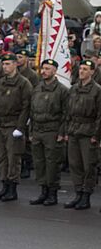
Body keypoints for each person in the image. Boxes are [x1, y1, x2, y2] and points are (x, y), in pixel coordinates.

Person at [0, 52, 32, 202]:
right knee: (2, 158)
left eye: (8, 64)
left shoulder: (23, 83)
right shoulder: (0, 82)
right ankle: (4, 185)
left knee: (13, 157)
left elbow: (26, 107)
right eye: (3, 64)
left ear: (15, 64)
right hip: (1, 124)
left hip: (13, 124)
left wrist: (20, 127)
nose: (5, 67)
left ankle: (12, 188)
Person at [29, 59, 69, 206]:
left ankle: (52, 193)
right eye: (43, 68)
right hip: (38, 129)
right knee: (39, 162)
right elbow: (32, 111)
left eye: (47, 69)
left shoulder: (62, 90)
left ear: (54, 71)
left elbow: (66, 114)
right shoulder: (37, 88)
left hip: (52, 130)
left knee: (52, 163)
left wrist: (62, 132)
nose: (44, 71)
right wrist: (31, 131)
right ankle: (43, 190)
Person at [63, 59, 101, 210]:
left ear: (92, 72)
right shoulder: (73, 88)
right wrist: (67, 130)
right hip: (74, 130)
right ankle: (78, 193)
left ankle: (86, 195)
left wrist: (96, 135)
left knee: (88, 165)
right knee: (75, 164)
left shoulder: (97, 90)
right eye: (81, 69)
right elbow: (68, 112)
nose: (82, 71)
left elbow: (99, 115)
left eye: (85, 69)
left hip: (88, 131)